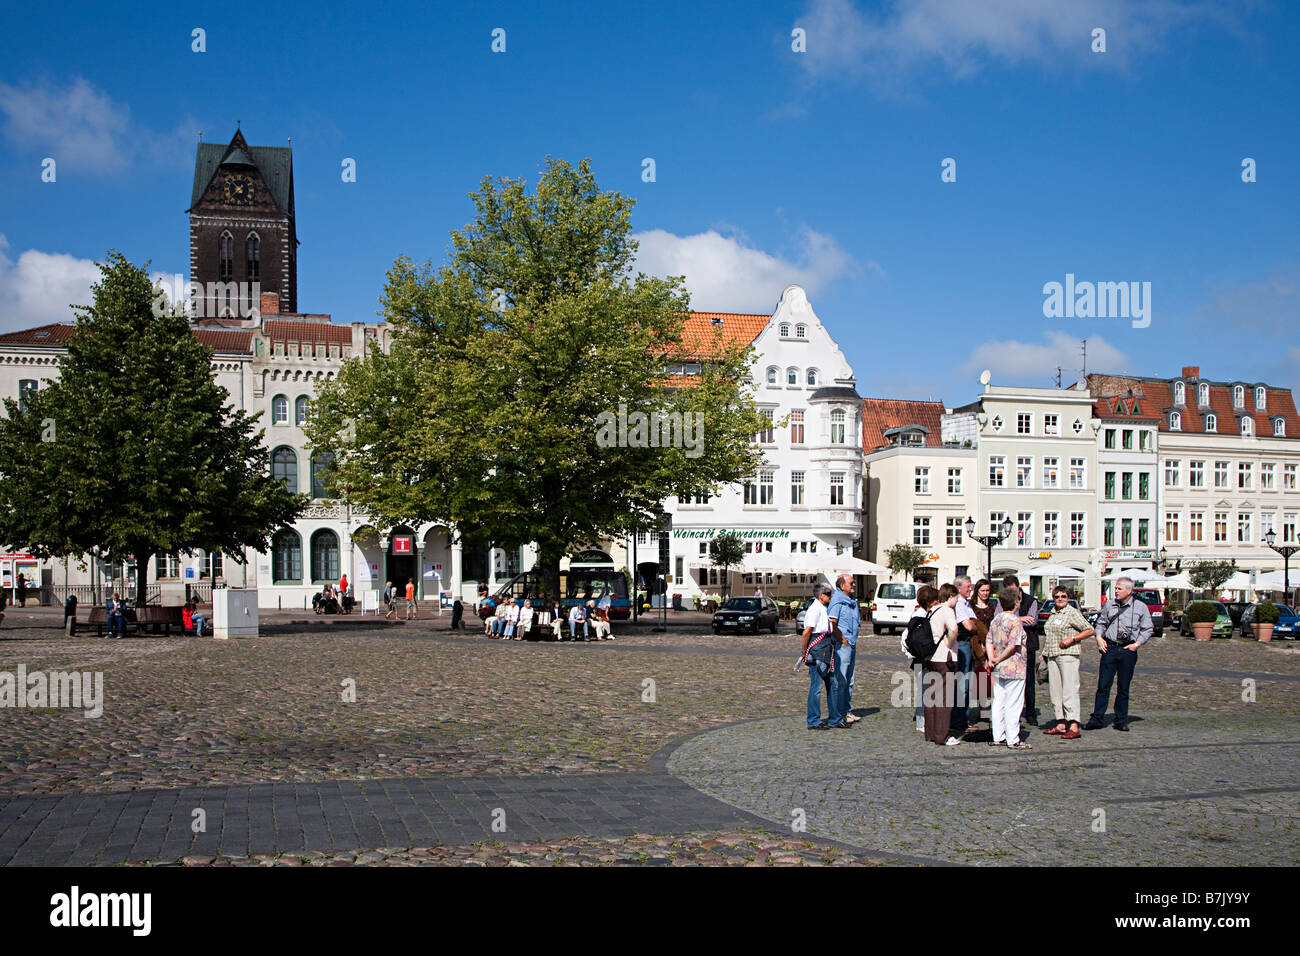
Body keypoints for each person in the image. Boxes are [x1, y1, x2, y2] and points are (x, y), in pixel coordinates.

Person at [1084, 576, 1152, 732]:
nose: (1116, 591)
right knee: (1103, 685)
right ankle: (1097, 718)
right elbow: (1100, 623)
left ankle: (1121, 720)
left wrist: (1137, 644)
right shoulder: (1109, 605)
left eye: (1119, 588)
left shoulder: (1141, 607)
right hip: (1110, 648)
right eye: (1115, 588)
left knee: (1123, 687)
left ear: (1129, 590)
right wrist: (1099, 637)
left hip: (1128, 650)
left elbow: (1147, 629)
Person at [1042, 586, 1093, 739]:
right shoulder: (1053, 613)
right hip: (1052, 655)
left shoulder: (1072, 613)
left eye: (1063, 596)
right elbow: (1050, 636)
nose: (1060, 599)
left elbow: (1089, 629)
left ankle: (1074, 724)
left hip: (1068, 655)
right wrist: (1043, 654)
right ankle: (1060, 723)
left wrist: (1072, 639)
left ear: (1068, 597)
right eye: (1056, 596)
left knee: (1070, 689)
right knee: (1055, 691)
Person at [987, 586, 1031, 749]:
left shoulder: (996, 619)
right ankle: (1013, 739)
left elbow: (989, 640)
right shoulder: (1015, 621)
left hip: (998, 668)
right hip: (1014, 666)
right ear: (1016, 602)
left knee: (999, 702)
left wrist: (992, 658)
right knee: (1013, 703)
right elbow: (1013, 646)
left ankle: (998, 736)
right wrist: (998, 658)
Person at [920, 584, 962, 746]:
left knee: (931, 697)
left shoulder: (932, 610)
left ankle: (931, 733)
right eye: (956, 596)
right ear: (951, 596)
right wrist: (950, 644)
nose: (957, 600)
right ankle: (942, 736)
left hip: (931, 657)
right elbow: (954, 629)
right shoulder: (947, 611)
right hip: (945, 658)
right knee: (945, 699)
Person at [802, 584, 845, 729]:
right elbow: (807, 632)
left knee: (833, 684)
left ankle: (835, 718)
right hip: (818, 649)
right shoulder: (814, 609)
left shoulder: (824, 609)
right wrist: (804, 652)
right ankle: (813, 720)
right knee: (817, 686)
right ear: (821, 596)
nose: (830, 596)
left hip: (828, 648)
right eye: (828, 593)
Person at [1000, 574, 1040, 726]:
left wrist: (1014, 619)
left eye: (1013, 590)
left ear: (1018, 587)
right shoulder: (1003, 600)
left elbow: (1032, 620)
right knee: (1009, 680)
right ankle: (1010, 712)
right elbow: (1000, 617)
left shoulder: (1031, 601)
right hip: (1008, 646)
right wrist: (1020, 619)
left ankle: (1030, 713)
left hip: (1027, 646)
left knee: (1029, 680)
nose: (1011, 594)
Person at [827, 574, 861, 724]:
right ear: (842, 586)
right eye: (851, 583)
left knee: (850, 679)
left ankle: (846, 710)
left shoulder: (851, 600)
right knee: (841, 679)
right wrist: (843, 639)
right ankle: (839, 712)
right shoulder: (837, 601)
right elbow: (832, 623)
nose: (854, 585)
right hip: (842, 645)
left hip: (852, 643)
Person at [949, 575, 979, 735]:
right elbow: (969, 626)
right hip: (962, 643)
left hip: (968, 644)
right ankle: (958, 720)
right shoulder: (960, 603)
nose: (970, 589)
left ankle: (964, 718)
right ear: (959, 588)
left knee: (968, 682)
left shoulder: (966, 603)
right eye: (968, 586)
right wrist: (976, 626)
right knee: (963, 683)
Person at [970, 579, 997, 721]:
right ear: (977, 591)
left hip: (991, 645)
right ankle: (982, 710)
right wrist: (980, 644)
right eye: (983, 591)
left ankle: (989, 710)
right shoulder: (971, 607)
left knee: (991, 678)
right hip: (977, 646)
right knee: (980, 677)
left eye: (987, 590)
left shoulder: (993, 607)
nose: (985, 593)